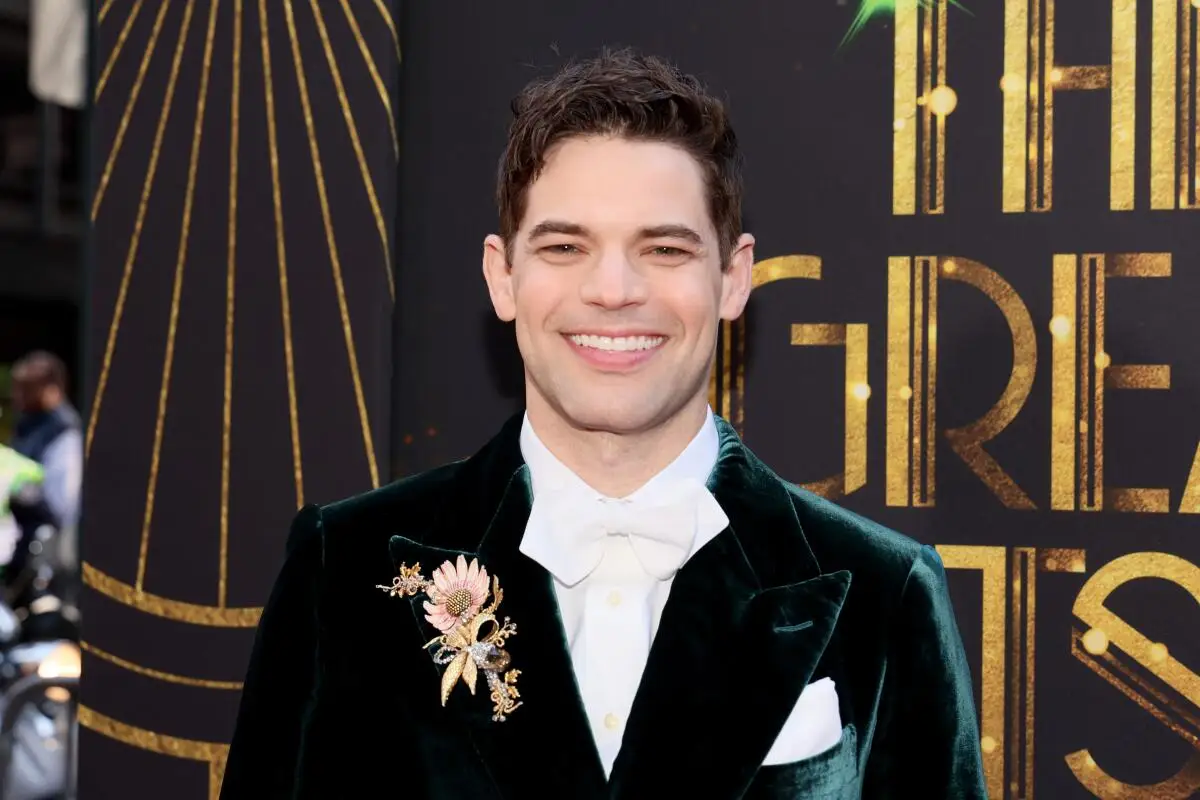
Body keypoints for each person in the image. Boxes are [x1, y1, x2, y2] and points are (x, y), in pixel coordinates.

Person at [222, 49, 987, 798]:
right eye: (564, 246)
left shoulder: (881, 592)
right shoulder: (345, 570)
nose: (614, 290)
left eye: (662, 248)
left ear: (733, 277)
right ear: (503, 275)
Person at [10, 351, 81, 532]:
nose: (18, 395)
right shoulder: (26, 426)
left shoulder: (65, 433)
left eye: (28, 388)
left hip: (46, 542)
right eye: (17, 388)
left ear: (53, 388)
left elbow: (63, 506)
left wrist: (23, 494)